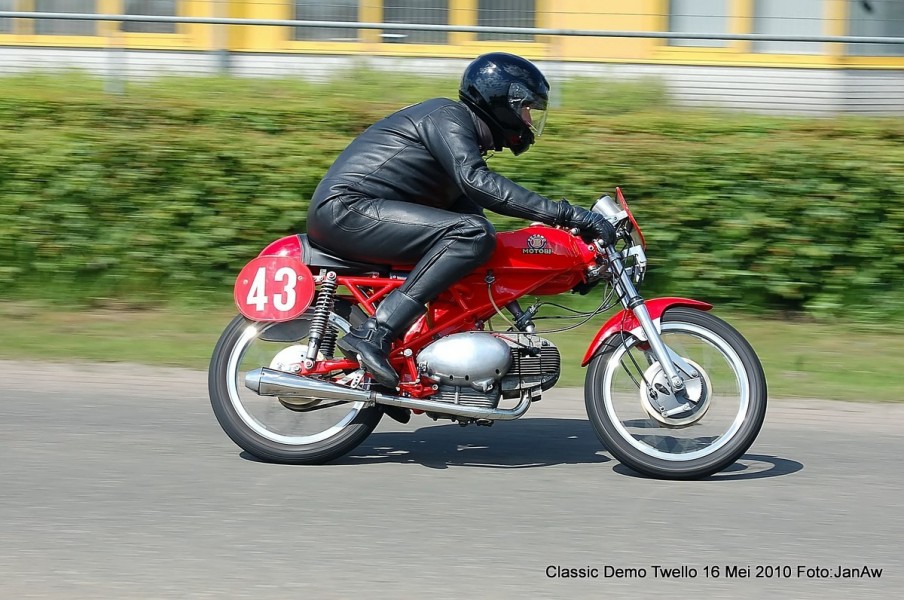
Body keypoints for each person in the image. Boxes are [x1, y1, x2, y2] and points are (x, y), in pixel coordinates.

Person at [306, 52, 615, 388]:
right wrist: (567, 214)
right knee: (473, 234)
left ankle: (411, 359)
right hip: (347, 210)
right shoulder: (448, 116)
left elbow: (482, 240)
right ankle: (374, 333)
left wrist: (570, 269)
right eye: (526, 108)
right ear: (503, 100)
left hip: (363, 214)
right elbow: (478, 184)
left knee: (478, 243)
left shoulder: (459, 143)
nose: (528, 120)